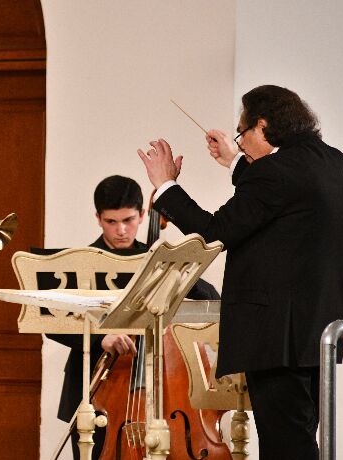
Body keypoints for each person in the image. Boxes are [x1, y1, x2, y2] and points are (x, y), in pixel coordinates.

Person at [137, 84, 343, 459]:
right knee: (300, 436)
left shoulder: (276, 171)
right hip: (316, 331)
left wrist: (165, 186)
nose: (240, 143)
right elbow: (275, 198)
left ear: (263, 124)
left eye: (242, 134)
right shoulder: (334, 162)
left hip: (276, 335)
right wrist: (235, 161)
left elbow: (217, 230)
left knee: (286, 446)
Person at [47, 175, 219, 459]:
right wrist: (101, 337)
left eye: (128, 220)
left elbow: (210, 299)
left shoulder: (155, 258)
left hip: (159, 390)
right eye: (111, 222)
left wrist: (179, 267)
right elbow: (53, 324)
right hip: (94, 388)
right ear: (98, 218)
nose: (121, 230)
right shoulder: (80, 263)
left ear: (142, 215)